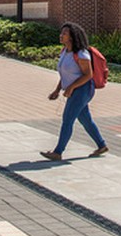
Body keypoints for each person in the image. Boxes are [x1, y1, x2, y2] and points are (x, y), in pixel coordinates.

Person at [40, 22, 108, 161]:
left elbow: (88, 75)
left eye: (64, 33)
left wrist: (71, 87)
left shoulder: (81, 53)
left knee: (67, 119)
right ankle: (102, 145)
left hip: (83, 89)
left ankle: (58, 152)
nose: (61, 35)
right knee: (85, 120)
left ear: (72, 37)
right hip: (74, 90)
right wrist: (57, 90)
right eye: (61, 33)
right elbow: (65, 74)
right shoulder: (64, 51)